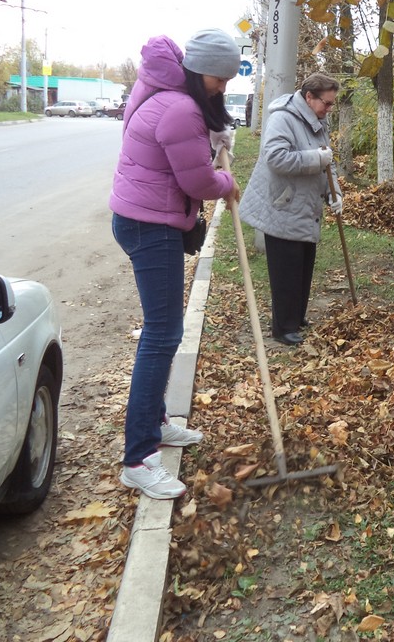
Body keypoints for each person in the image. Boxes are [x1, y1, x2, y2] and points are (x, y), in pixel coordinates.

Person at [110, 29, 242, 500]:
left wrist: (212, 140)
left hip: (144, 220)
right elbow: (199, 183)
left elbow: (184, 164)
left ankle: (157, 422)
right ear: (196, 69)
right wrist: (225, 180)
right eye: (218, 77)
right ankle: (139, 458)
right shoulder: (180, 108)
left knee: (163, 332)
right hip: (152, 227)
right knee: (162, 334)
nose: (223, 86)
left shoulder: (170, 97)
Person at [238, 72, 343, 346]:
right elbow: (275, 158)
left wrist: (335, 193)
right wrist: (315, 158)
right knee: (286, 269)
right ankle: (282, 327)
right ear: (309, 97)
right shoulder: (282, 118)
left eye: (332, 104)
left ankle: (296, 317)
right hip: (283, 204)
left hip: (305, 206)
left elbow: (327, 163)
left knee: (303, 265)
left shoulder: (318, 120)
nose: (329, 109)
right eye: (327, 103)